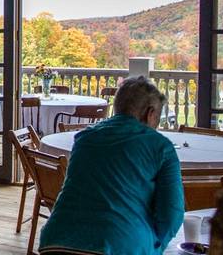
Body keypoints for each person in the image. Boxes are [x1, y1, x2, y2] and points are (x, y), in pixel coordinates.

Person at [39, 76, 185, 255]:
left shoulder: (85, 138)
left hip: (56, 241)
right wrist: (154, 245)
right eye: (158, 119)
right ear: (150, 113)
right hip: (119, 246)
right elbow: (172, 214)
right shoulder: (161, 147)